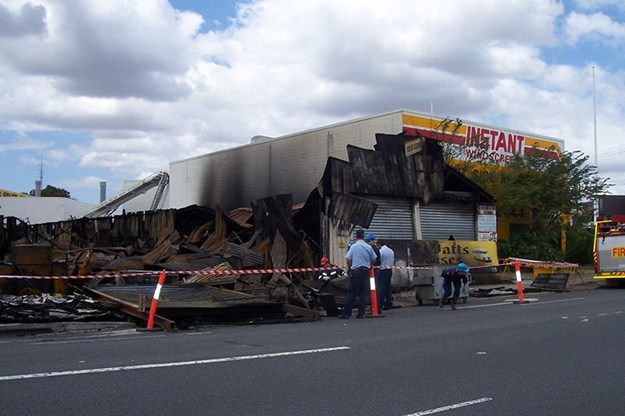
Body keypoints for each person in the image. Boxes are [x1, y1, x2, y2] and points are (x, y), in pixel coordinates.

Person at [340, 229, 378, 319]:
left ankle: (347, 313)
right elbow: (374, 259)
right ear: (364, 236)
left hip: (356, 271)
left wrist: (350, 269)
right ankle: (361, 313)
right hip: (365, 271)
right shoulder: (368, 247)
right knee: (363, 292)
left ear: (356, 236)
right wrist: (368, 264)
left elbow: (348, 259)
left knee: (351, 292)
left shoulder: (353, 247)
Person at [376, 240, 395, 310]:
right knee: (388, 287)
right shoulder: (391, 251)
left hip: (383, 270)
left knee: (382, 288)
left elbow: (379, 260)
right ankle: (388, 303)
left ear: (379, 245)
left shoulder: (381, 252)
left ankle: (380, 304)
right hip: (389, 270)